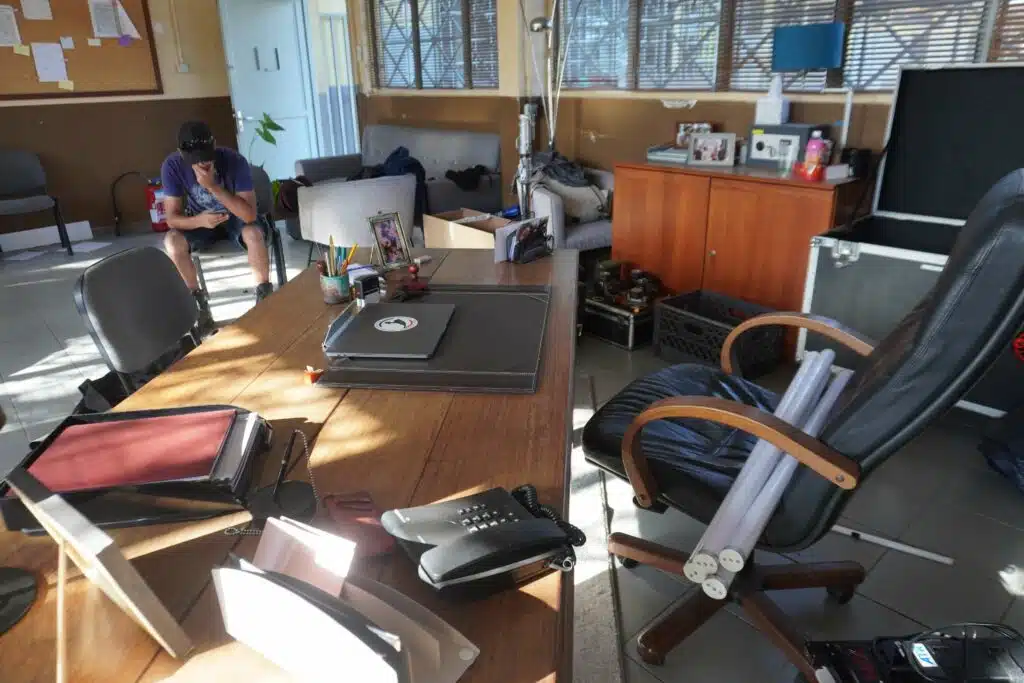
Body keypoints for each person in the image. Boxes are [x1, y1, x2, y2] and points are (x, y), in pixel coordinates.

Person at [160, 121, 273, 331]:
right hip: (201, 221)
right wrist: (199, 221)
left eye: (206, 156)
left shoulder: (234, 161)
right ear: (181, 153)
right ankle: (198, 305)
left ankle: (264, 298)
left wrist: (213, 187)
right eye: (195, 159)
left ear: (214, 145)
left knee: (253, 233)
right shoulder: (172, 166)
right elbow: (172, 218)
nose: (202, 163)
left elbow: (249, 215)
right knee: (172, 241)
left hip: (237, 218)